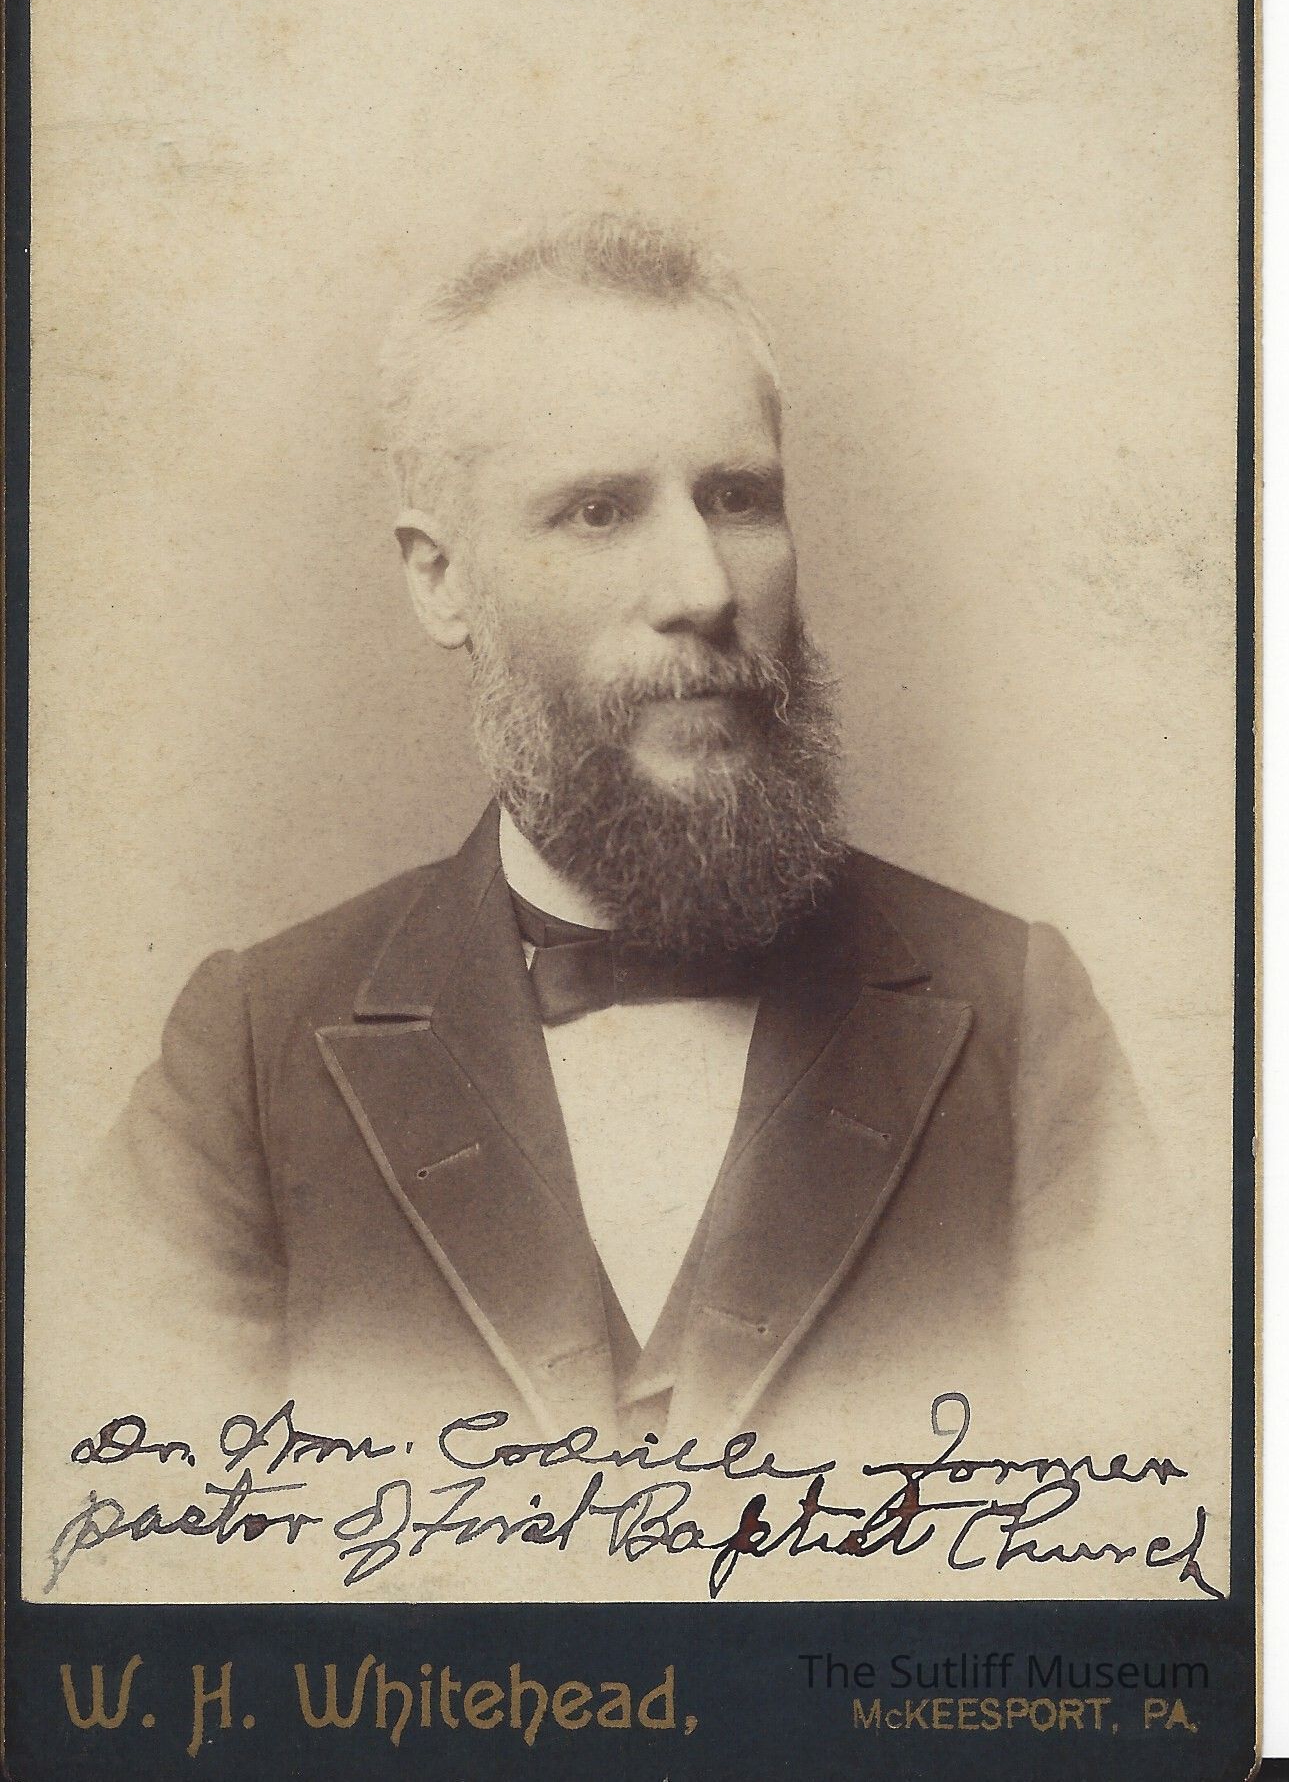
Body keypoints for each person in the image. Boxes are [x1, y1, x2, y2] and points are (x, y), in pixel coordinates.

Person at [96, 212, 1155, 1458]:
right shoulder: (245, 1057)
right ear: (441, 579)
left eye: (738, 498)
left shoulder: (1022, 1023)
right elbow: (147, 1529)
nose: (703, 588)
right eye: (598, 511)